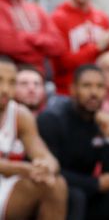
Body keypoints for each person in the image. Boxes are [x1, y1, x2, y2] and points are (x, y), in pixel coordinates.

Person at [38, 64, 109, 220]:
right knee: (76, 196)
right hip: (53, 191)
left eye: (99, 87)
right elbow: (49, 171)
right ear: (73, 89)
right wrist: (95, 184)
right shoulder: (52, 119)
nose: (94, 93)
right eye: (87, 86)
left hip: (86, 191)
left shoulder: (107, 122)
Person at [0, 58, 68, 220]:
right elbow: (23, 169)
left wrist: (45, 167)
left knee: (54, 184)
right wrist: (24, 169)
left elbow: (44, 154)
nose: (5, 89)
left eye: (11, 83)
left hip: (5, 186)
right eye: (0, 81)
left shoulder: (20, 114)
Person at [51, 0, 109, 95]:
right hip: (68, 91)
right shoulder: (58, 18)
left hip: (99, 92)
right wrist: (97, 47)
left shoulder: (102, 18)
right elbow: (62, 63)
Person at [0, 0, 64, 72]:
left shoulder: (36, 9)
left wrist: (25, 37)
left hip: (38, 80)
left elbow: (58, 45)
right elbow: (7, 45)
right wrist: (40, 47)